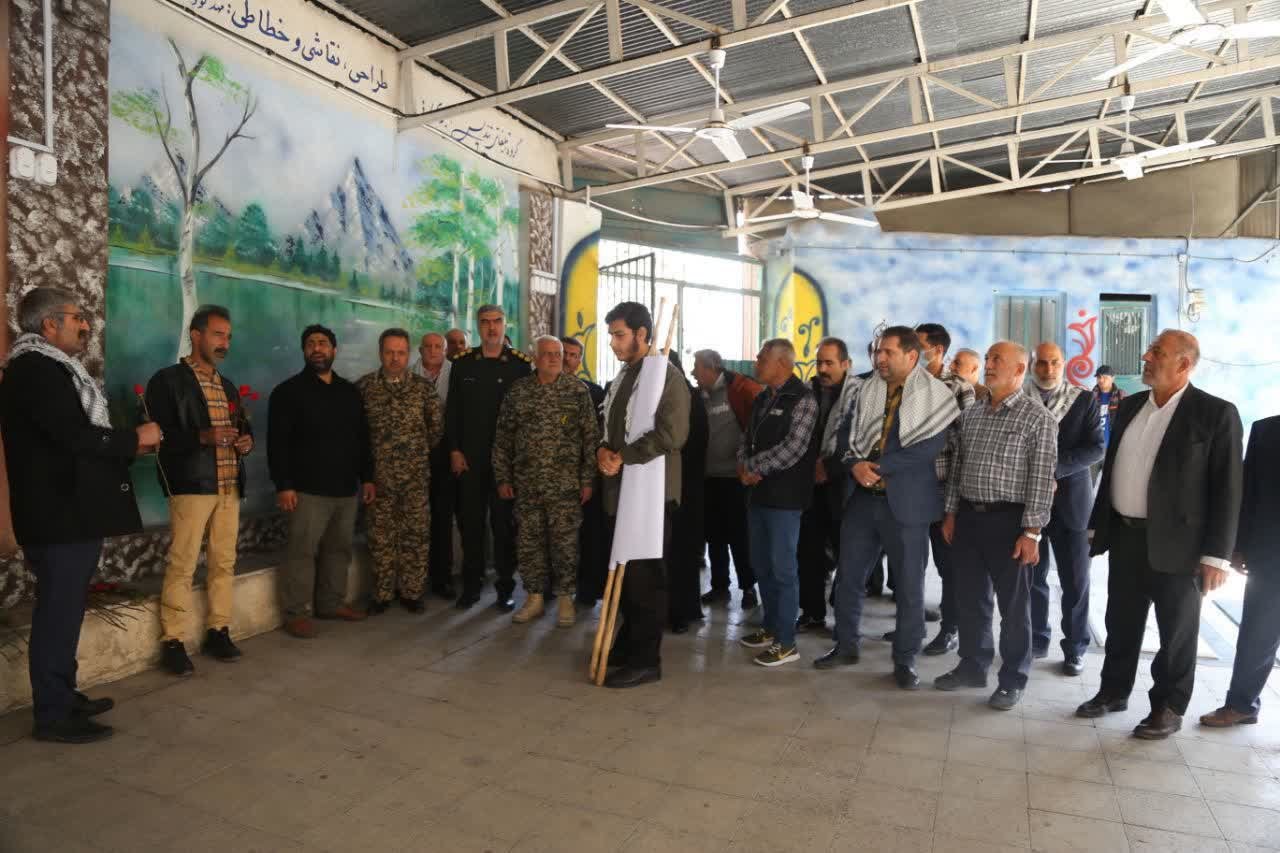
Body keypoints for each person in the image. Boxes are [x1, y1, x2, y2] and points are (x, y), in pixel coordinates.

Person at [0, 288, 159, 743]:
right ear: (49, 324)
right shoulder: (34, 370)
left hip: (67, 513)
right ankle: (53, 714)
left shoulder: (48, 367)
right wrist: (133, 439)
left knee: (66, 611)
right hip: (57, 516)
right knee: (58, 614)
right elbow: (73, 437)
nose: (86, 325)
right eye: (77, 317)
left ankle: (64, 696)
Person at [1079, 330, 1242, 739]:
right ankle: (1113, 691)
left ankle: (1168, 707)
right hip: (1127, 537)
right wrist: (1098, 524)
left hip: (1181, 547)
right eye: (1150, 350)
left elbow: (1228, 490)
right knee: (1120, 622)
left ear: (1184, 364)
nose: (1146, 357)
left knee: (1176, 633)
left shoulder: (1215, 414)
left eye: (1157, 352)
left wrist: (1217, 556)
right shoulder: (1132, 405)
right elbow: (1111, 470)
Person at [818, 328, 957, 688]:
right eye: (878, 352)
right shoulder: (865, 390)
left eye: (888, 352)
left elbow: (927, 448)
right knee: (848, 579)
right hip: (864, 502)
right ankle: (845, 646)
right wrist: (854, 465)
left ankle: (905, 660)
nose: (879, 358)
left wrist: (875, 467)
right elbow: (846, 435)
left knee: (909, 588)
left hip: (908, 507)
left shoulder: (935, 395)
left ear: (911, 356)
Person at [936, 340, 1057, 711]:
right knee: (971, 599)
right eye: (987, 359)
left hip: (1011, 523)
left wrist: (1032, 532)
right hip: (969, 518)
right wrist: (951, 513)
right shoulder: (972, 413)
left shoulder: (1037, 419)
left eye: (996, 360)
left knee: (1014, 609)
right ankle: (973, 665)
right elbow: (958, 468)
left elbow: (1042, 479)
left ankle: (1013, 679)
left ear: (1019, 369)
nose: (988, 365)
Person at [147, 305, 252, 677]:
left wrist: (246, 442)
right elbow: (156, 436)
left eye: (228, 336)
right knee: (183, 563)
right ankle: (172, 641)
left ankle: (218, 630)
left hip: (228, 486)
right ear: (196, 335)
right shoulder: (167, 381)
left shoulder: (227, 385)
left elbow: (242, 428)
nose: (225, 343)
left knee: (224, 562)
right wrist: (201, 437)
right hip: (191, 485)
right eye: (218, 334)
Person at [598, 302, 689, 689]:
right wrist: (603, 451)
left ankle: (646, 660)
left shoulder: (664, 375)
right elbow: (609, 425)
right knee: (626, 572)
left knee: (644, 579)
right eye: (611, 335)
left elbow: (672, 435)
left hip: (651, 494)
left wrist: (622, 457)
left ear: (641, 334)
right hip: (619, 490)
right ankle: (628, 644)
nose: (613, 343)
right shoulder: (624, 375)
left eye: (619, 335)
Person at [267, 325, 374, 638]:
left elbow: (362, 439)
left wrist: (367, 478)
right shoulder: (288, 392)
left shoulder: (349, 392)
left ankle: (331, 603)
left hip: (345, 489)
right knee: (301, 552)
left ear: (334, 350)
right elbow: (277, 444)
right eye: (311, 344)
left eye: (323, 343)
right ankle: (296, 613)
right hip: (306, 490)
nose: (317, 348)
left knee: (338, 550)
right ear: (304, 351)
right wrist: (283, 485)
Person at [493, 336, 598, 628]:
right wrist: (503, 477)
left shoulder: (577, 391)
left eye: (558, 354)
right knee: (529, 543)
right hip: (527, 485)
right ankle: (534, 598)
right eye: (547, 354)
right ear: (535, 357)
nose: (554, 359)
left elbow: (590, 439)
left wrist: (587, 480)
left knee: (565, 545)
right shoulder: (519, 391)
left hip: (565, 487)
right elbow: (503, 438)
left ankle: (565, 599)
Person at [736, 339, 818, 667]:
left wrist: (754, 468)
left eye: (762, 358)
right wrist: (743, 464)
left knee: (783, 570)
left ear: (782, 363)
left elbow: (794, 448)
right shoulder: (762, 397)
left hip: (785, 499)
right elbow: (746, 438)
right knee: (762, 565)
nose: (756, 363)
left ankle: (786, 642)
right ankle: (769, 627)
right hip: (758, 496)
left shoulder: (803, 399)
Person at [445, 305, 532, 611]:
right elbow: (453, 411)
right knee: (471, 525)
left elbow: (526, 418)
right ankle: (471, 587)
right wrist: (454, 450)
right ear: (478, 326)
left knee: (504, 526)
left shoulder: (520, 365)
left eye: (497, 322)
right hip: (470, 459)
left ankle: (505, 588)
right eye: (485, 322)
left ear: (505, 325)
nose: (492, 328)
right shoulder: (463, 363)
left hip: (505, 463)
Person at [1026, 342, 1105, 675]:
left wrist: (1054, 470)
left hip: (1072, 504)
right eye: (1042, 363)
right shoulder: (1020, 398)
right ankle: (1036, 639)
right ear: (1032, 365)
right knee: (1033, 577)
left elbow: (1096, 448)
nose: (1048, 370)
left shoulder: (1083, 399)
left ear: (1064, 364)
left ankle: (1075, 647)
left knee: (1075, 580)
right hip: (1028, 502)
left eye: (1054, 363)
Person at [1201, 414, 1280, 728]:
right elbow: (1248, 491)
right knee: (1257, 633)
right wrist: (1238, 545)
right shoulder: (1267, 430)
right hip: (1270, 554)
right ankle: (1241, 704)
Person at [357, 328, 443, 614]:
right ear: (380, 353)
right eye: (389, 352)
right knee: (380, 539)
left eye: (401, 352)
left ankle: (412, 593)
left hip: (415, 480)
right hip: (378, 481)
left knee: (415, 538)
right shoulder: (364, 388)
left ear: (409, 354)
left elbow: (436, 430)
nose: (395, 358)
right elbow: (357, 435)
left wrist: (413, 458)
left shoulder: (423, 389)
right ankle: (381, 595)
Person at [916, 323, 976, 655]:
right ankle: (910, 623)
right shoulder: (907, 384)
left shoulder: (958, 388)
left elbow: (967, 444)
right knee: (910, 562)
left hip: (942, 491)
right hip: (910, 490)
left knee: (947, 565)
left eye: (919, 345)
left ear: (937, 350)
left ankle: (951, 628)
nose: (913, 351)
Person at [691, 349, 761, 609]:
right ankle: (720, 586)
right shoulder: (700, 396)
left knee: (740, 536)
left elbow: (755, 426)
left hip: (735, 477)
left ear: (711, 368)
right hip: (709, 477)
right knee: (715, 536)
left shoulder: (739, 389)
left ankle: (748, 587)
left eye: (697, 367)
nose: (693, 373)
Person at [797, 337, 852, 632]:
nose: (822, 369)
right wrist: (812, 466)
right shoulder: (807, 392)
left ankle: (844, 620)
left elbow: (858, 438)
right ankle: (812, 613)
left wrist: (829, 467)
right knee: (808, 552)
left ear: (846, 364)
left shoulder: (858, 395)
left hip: (844, 487)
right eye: (819, 363)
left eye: (829, 363)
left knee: (848, 556)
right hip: (809, 485)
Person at [562, 336, 608, 606]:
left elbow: (598, 436)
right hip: (551, 475)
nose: (568, 359)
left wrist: (589, 476)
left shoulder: (594, 392)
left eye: (573, 355)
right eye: (564, 353)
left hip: (584, 474)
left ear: (580, 361)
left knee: (589, 535)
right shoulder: (537, 388)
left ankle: (587, 589)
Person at [414, 332, 458, 598]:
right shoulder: (409, 374)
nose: (432, 351)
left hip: (445, 452)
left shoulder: (457, 374)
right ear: (420, 350)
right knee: (416, 519)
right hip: (414, 455)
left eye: (438, 346)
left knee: (442, 517)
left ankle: (442, 578)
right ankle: (413, 581)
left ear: (445, 349)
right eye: (428, 347)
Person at [669, 351, 708, 633]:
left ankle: (680, 611)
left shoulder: (689, 397)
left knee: (680, 551)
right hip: (673, 487)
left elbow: (694, 444)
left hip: (684, 488)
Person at [1091, 365, 1125, 446]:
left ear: (1113, 378)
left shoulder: (1121, 396)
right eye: (1099, 377)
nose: (1101, 380)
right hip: (1094, 446)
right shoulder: (1091, 397)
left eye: (1105, 377)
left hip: (1114, 445)